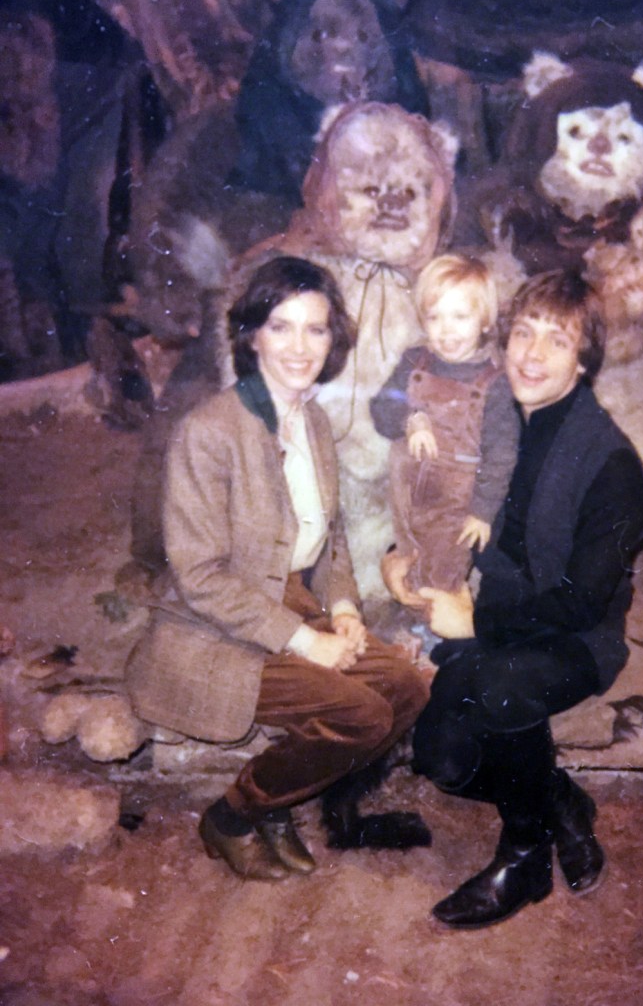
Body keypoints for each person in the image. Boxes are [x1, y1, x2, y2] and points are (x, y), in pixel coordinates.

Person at [127, 256, 430, 881]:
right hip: (217, 627)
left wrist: (343, 610)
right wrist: (307, 643)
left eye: (315, 329)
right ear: (252, 335)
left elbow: (329, 535)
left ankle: (283, 797)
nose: (300, 347)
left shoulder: (312, 420)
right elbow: (200, 577)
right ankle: (236, 814)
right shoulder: (209, 432)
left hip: (288, 601)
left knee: (406, 687)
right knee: (362, 715)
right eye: (281, 327)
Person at [383, 269, 643, 928]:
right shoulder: (494, 416)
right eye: (524, 334)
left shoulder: (614, 466)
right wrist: (402, 558)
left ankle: (525, 856)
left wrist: (476, 620)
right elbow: (444, 499)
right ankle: (559, 799)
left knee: (502, 688)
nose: (532, 355)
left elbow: (581, 603)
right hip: (497, 618)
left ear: (584, 360)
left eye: (557, 342)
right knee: (441, 759)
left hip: (574, 639)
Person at [369, 254, 519, 595]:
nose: (446, 330)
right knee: (407, 562)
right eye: (435, 317)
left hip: (456, 505)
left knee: (443, 574)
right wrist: (410, 419)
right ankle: (412, 611)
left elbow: (501, 455)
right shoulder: (413, 361)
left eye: (460, 317)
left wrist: (482, 512)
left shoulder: (496, 383)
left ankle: (439, 618)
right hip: (406, 493)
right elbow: (380, 409)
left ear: (485, 321)